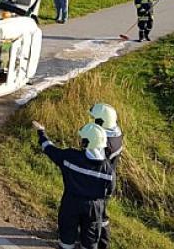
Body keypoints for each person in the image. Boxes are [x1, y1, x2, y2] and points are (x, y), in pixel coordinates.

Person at [32, 120, 114, 249]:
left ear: (86, 142)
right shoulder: (108, 169)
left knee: (67, 239)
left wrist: (41, 132)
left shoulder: (70, 157)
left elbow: (49, 149)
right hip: (94, 208)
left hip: (71, 203)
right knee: (90, 242)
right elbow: (109, 191)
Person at [89, 104, 123, 249]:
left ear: (101, 122)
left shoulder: (106, 144)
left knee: (98, 216)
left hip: (99, 182)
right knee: (99, 213)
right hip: (106, 180)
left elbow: (93, 160)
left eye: (95, 119)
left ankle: (101, 243)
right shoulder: (115, 133)